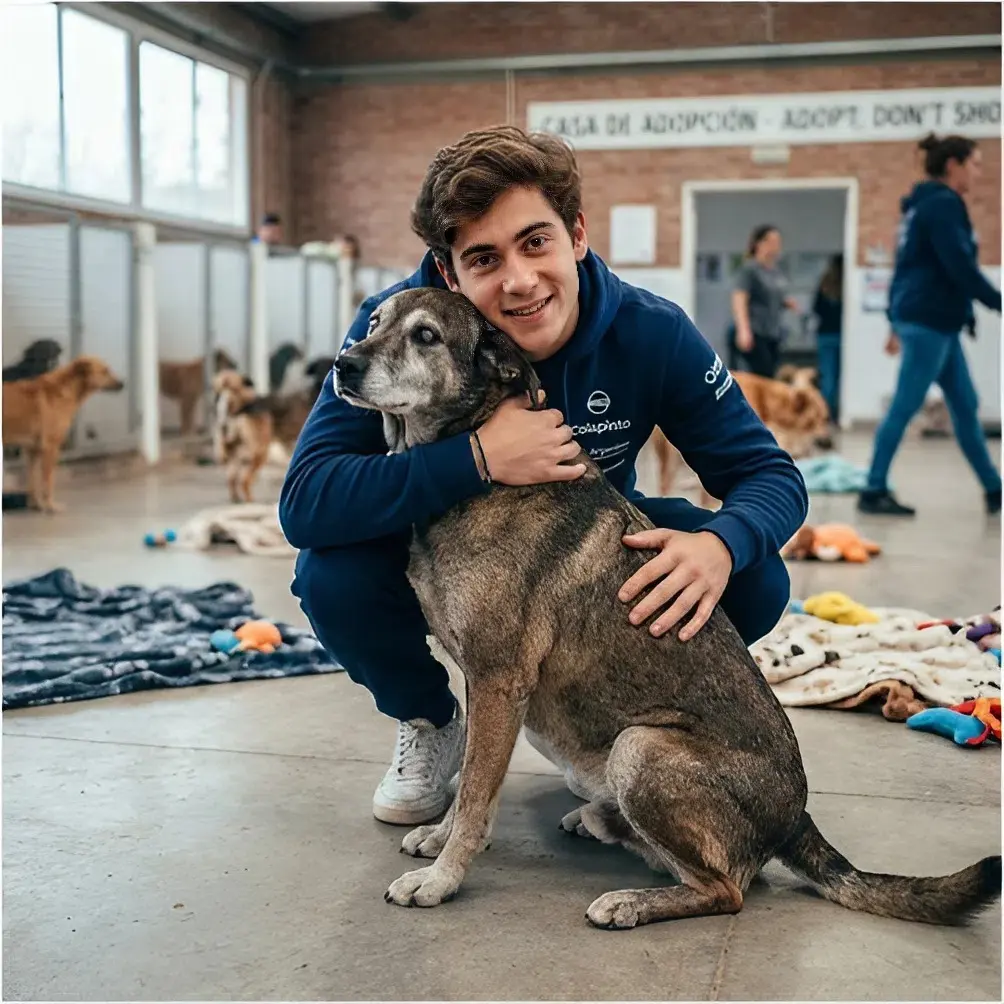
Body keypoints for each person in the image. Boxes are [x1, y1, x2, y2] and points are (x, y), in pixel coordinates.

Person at [279, 126, 808, 827]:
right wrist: (479, 459)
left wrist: (721, 544)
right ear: (447, 272)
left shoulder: (651, 332)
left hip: (570, 548)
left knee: (753, 574)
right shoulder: (397, 327)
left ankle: (608, 726)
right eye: (484, 258)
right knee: (330, 575)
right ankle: (431, 719)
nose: (520, 280)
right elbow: (306, 501)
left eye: (536, 242)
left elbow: (770, 474)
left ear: (577, 234)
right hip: (438, 550)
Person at [858, 133, 1002, 517]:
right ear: (953, 165)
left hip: (934, 321)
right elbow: (958, 265)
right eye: (974, 164)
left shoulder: (920, 207)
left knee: (965, 406)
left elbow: (905, 268)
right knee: (906, 404)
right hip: (929, 321)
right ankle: (873, 488)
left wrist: (894, 320)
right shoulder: (942, 205)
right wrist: (997, 301)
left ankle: (994, 487)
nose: (978, 172)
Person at [731, 225, 800, 378]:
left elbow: (772, 296)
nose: (776, 246)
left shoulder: (775, 271)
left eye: (778, 242)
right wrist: (743, 330)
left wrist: (787, 302)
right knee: (761, 376)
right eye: (771, 241)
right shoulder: (750, 269)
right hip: (756, 331)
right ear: (759, 244)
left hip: (773, 332)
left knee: (771, 375)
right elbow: (739, 298)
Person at [812, 253, 844, 423]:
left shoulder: (825, 285)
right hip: (842, 336)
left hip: (825, 335)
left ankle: (824, 415)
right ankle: (836, 413)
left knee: (827, 377)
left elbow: (816, 308)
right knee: (840, 377)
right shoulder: (847, 287)